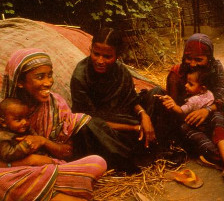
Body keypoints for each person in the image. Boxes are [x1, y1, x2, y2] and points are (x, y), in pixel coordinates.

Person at [0, 48, 107, 201]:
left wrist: (43, 142)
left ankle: (40, 190)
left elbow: (67, 152)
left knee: (98, 162)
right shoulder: (3, 111)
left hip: (51, 167)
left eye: (49, 75)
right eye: (40, 77)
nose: (48, 82)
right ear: (20, 82)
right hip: (18, 170)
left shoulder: (56, 104)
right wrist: (31, 160)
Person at [70, 27, 172, 174]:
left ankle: (153, 147)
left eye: (107, 56)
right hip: (105, 131)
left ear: (117, 55)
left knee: (158, 94)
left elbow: (132, 101)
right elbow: (87, 118)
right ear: (90, 49)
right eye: (96, 54)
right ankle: (138, 155)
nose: (100, 61)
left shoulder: (121, 71)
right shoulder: (80, 76)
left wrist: (144, 115)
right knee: (87, 126)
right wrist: (135, 128)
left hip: (128, 119)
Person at [166, 33, 224, 168]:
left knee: (218, 117)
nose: (192, 64)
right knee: (186, 131)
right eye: (188, 58)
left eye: (199, 59)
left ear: (209, 59)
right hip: (188, 121)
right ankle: (217, 156)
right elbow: (174, 112)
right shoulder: (177, 73)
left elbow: (221, 94)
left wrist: (207, 110)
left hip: (212, 115)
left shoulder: (216, 69)